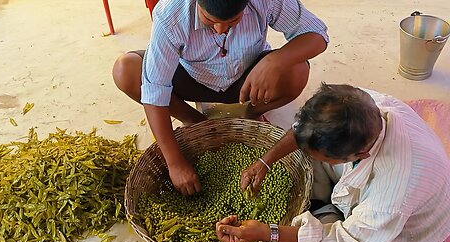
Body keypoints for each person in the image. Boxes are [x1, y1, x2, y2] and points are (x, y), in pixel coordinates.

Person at [215, 83, 450, 242]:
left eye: (328, 158)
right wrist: (265, 162)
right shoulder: (358, 106)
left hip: (398, 231)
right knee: (307, 152)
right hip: (370, 186)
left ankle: (326, 215)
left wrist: (267, 233)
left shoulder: (394, 193)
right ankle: (326, 212)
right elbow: (303, 128)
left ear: (359, 154)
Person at [112, 0, 329, 196]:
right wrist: (175, 163)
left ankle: (251, 113)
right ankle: (194, 120)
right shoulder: (171, 13)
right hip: (192, 78)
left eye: (233, 21)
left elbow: (317, 34)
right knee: (126, 70)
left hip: (248, 80)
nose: (220, 29)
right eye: (209, 20)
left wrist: (276, 61)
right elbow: (154, 90)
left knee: (297, 70)